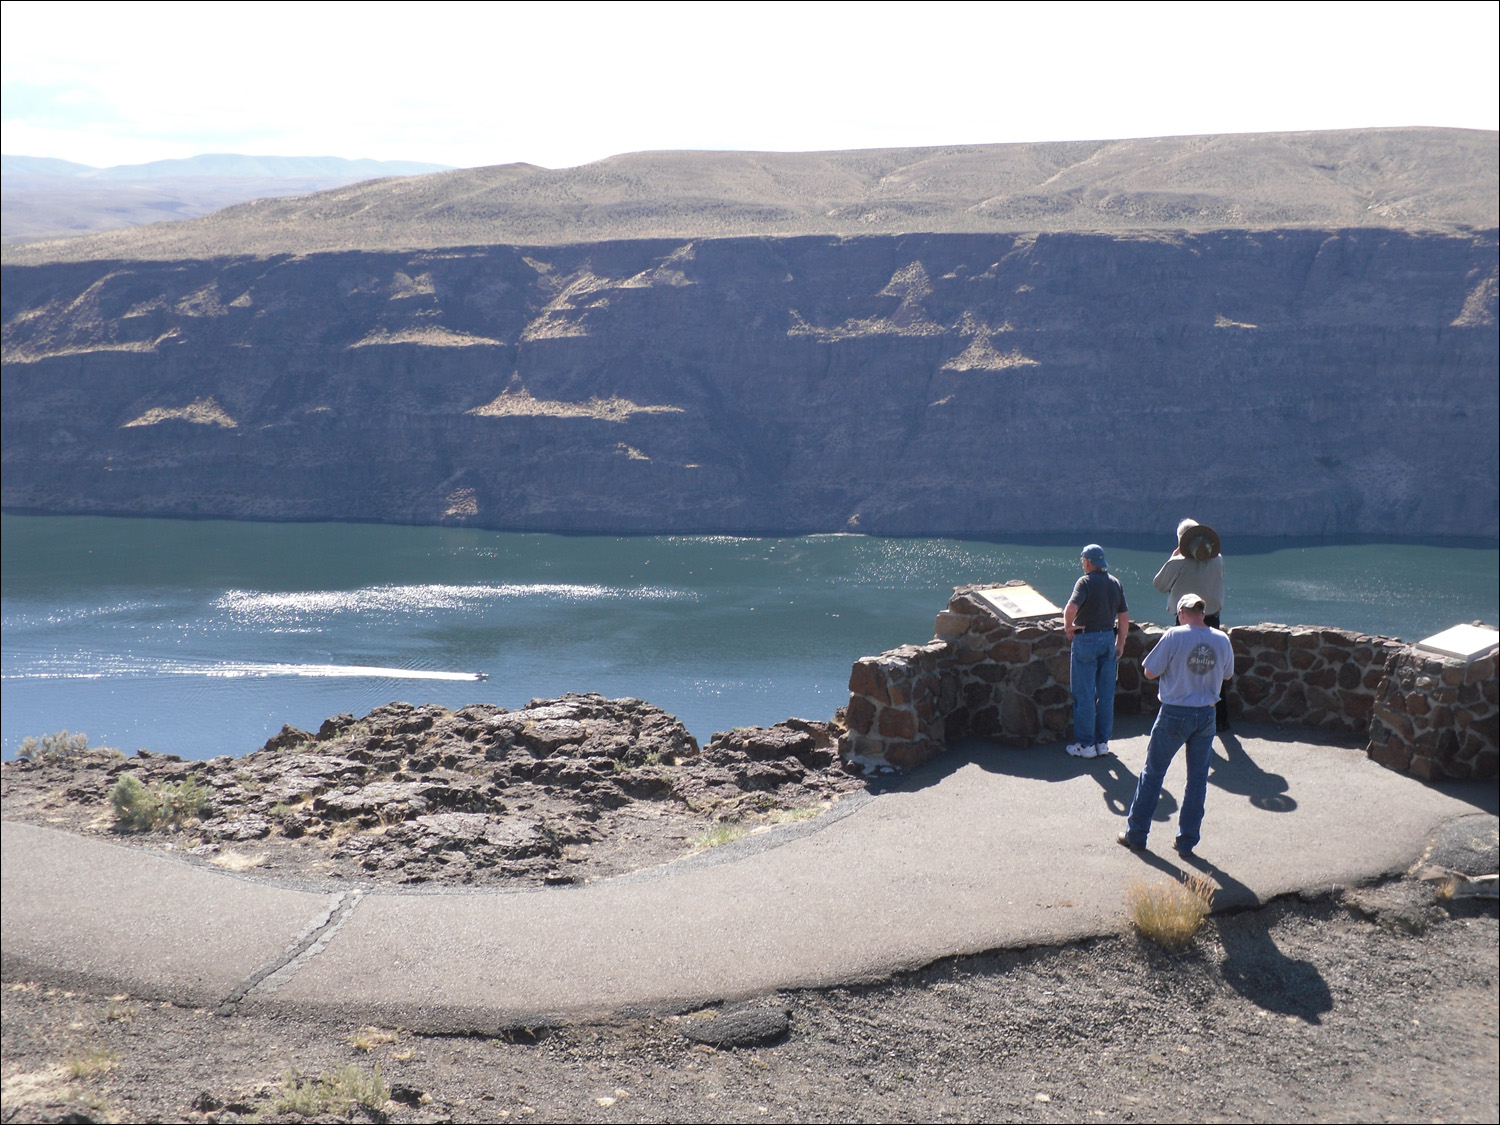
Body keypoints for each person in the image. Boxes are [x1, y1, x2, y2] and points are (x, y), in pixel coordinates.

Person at [1117, 593, 1235, 858]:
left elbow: (1149, 671)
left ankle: (1136, 834)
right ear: (1202, 614)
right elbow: (1227, 674)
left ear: (1181, 612)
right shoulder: (1222, 639)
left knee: (1153, 773)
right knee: (1197, 780)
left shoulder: (1174, 635)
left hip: (1174, 713)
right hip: (1206, 714)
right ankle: (1186, 842)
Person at [1153, 518, 1230, 731]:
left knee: (1184, 669)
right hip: (1212, 619)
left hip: (1185, 621)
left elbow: (1159, 585)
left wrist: (1174, 556)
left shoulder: (1178, 562)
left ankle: (1184, 718)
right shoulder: (1218, 559)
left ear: (1182, 541)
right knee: (1215, 668)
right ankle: (1220, 720)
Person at [1062, 543, 1129, 760]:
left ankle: (1085, 744)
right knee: (1106, 694)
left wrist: (1068, 626)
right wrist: (1121, 642)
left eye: (1083, 560)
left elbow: (1071, 609)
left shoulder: (1085, 582)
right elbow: (1124, 617)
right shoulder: (1115, 583)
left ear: (1089, 562)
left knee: (1084, 694)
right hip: (1108, 639)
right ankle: (1102, 742)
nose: (1082, 563)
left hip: (1086, 640)